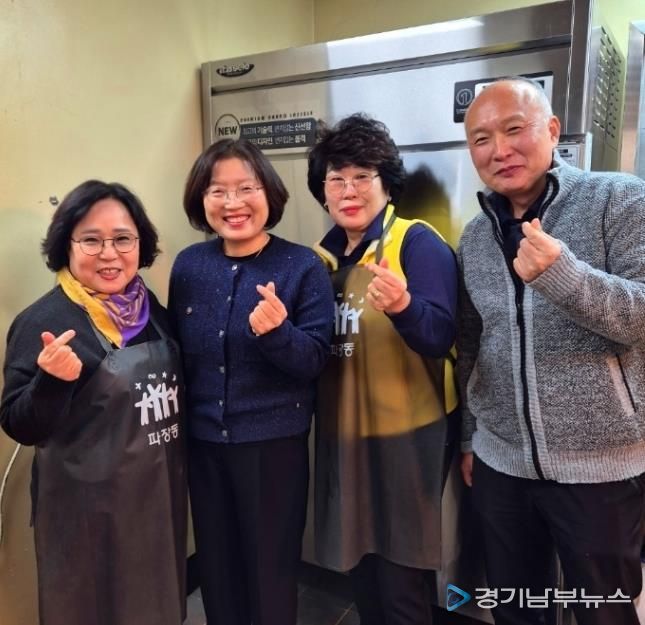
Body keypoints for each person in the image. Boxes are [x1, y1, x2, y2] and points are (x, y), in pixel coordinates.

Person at [457, 77, 645, 625]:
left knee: (604, 613)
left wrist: (564, 275)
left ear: (553, 130)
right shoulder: (475, 236)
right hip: (500, 463)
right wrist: (470, 436)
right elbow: (472, 342)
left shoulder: (619, 198)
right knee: (517, 610)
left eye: (514, 129)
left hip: (602, 469)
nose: (500, 150)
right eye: (482, 139)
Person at [0, 180, 187, 625]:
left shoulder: (149, 309)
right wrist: (50, 383)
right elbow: (19, 424)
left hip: (156, 503)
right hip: (87, 516)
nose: (109, 254)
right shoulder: (44, 320)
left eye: (122, 238)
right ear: (66, 244)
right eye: (91, 240)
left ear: (140, 244)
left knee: (155, 605)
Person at [169, 138, 334, 625]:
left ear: (269, 193)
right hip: (204, 446)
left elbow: (314, 360)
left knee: (269, 574)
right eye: (218, 190)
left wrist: (277, 334)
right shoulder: (189, 265)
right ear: (201, 199)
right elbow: (176, 352)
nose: (233, 202)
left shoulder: (302, 266)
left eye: (247, 188)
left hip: (272, 449)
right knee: (217, 570)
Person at [307, 113, 459, 625]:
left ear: (387, 184)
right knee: (361, 568)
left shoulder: (416, 243)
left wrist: (403, 306)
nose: (348, 190)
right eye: (336, 178)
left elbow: (440, 336)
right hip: (345, 434)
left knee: (400, 581)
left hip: (408, 437)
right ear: (322, 191)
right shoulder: (320, 260)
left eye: (362, 176)